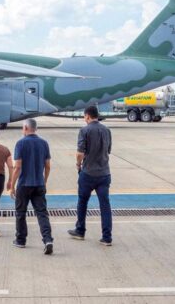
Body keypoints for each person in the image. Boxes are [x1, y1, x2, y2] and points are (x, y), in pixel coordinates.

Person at [68, 105, 113, 246]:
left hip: (88, 173)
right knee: (105, 205)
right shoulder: (107, 130)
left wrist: (78, 164)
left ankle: (80, 231)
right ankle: (107, 237)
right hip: (104, 173)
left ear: (87, 116)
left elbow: (80, 153)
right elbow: (108, 150)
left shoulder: (84, 130)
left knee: (82, 202)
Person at [10, 118, 54, 255]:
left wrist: (12, 185)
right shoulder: (44, 143)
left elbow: (17, 167)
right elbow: (47, 166)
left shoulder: (20, 143)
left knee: (21, 213)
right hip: (39, 184)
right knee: (42, 213)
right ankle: (48, 240)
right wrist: (44, 181)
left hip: (24, 184)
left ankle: (21, 240)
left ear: (26, 128)